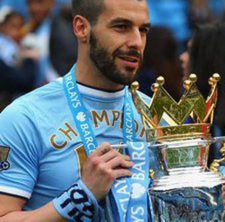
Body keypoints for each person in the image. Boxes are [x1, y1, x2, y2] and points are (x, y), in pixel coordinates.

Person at [0, 0, 151, 221]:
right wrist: (81, 195)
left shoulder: (157, 116)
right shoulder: (24, 117)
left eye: (143, 30)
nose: (137, 42)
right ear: (81, 28)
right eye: (121, 27)